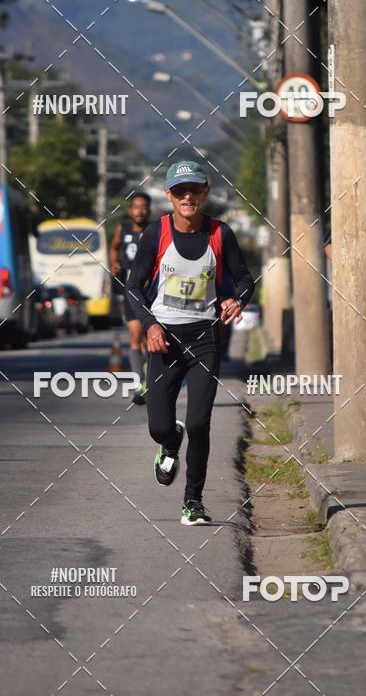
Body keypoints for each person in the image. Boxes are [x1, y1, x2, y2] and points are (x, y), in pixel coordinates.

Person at [127, 161, 254, 525]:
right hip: (164, 340)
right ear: (169, 195)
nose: (187, 197)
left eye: (194, 190)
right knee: (158, 427)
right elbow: (133, 288)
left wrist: (237, 301)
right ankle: (170, 441)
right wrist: (150, 325)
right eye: (180, 191)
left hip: (204, 339)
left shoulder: (220, 233)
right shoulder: (156, 234)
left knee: (199, 423)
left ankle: (193, 501)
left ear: (205, 193)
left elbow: (245, 280)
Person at [109, 192, 152, 405]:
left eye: (144, 207)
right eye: (136, 207)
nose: (139, 211)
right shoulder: (122, 229)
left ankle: (151, 378)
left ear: (149, 210)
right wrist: (114, 263)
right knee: (135, 335)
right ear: (130, 210)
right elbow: (114, 247)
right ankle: (139, 384)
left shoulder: (155, 230)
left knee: (149, 337)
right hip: (130, 290)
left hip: (150, 290)